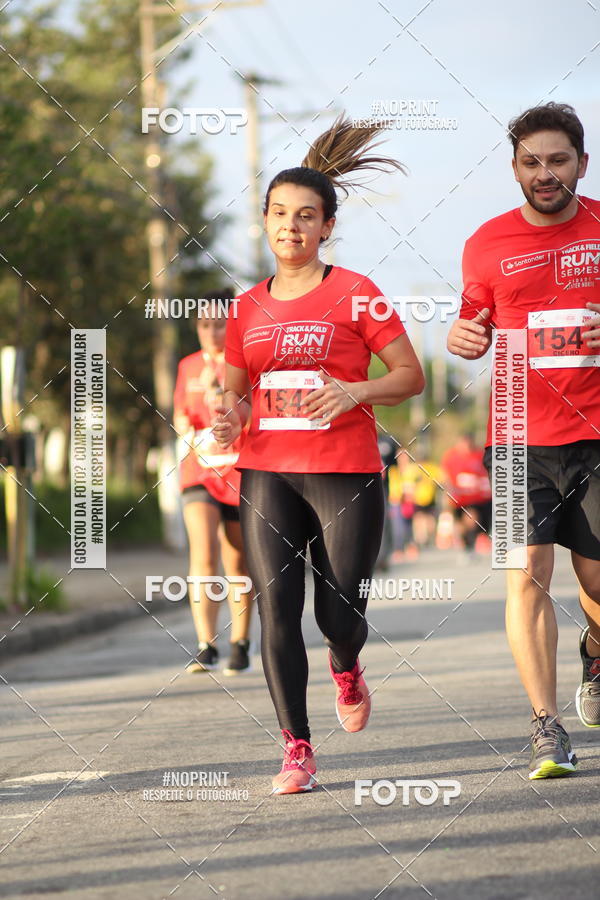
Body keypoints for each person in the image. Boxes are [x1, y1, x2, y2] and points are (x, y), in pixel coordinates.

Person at [213, 116, 424, 794]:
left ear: (327, 226)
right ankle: (296, 747)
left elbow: (409, 376)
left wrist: (353, 390)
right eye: (279, 214)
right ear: (266, 222)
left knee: (338, 613)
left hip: (346, 469)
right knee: (278, 607)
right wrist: (226, 416)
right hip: (267, 470)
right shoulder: (245, 308)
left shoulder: (356, 291)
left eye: (306, 216)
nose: (291, 227)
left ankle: (347, 664)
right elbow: (236, 395)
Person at [448, 102, 600, 779]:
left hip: (596, 436)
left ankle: (594, 647)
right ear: (514, 168)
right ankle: (546, 727)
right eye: (531, 161)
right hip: (515, 437)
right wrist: (462, 338)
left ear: (582, 164)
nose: (545, 173)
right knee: (527, 577)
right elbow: (470, 326)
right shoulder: (485, 243)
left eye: (558, 160)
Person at [173, 303, 254, 675]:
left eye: (219, 325)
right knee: (203, 554)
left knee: (237, 559)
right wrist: (184, 427)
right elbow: (180, 413)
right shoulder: (188, 365)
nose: (211, 331)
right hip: (198, 469)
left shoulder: (243, 360)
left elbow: (252, 410)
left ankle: (240, 643)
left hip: (237, 470)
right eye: (204, 324)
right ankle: (206, 644)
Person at [441, 434, 492, 557]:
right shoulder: (451, 457)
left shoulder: (480, 455)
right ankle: (466, 545)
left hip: (480, 498)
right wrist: (447, 493)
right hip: (459, 499)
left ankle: (472, 544)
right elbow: (445, 475)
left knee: (476, 521)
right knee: (464, 523)